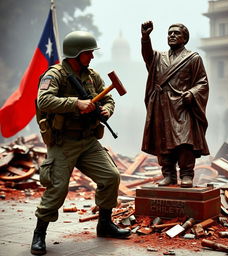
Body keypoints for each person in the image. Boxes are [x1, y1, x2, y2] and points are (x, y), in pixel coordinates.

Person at [31, 31, 131, 256]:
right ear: (76, 54)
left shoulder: (92, 76)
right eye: (89, 53)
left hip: (87, 140)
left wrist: (107, 109)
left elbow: (109, 98)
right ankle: (39, 234)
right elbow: (43, 100)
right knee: (57, 188)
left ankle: (104, 224)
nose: (92, 57)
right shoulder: (54, 75)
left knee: (111, 177)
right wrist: (76, 103)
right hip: (62, 141)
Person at [140, 21, 209, 188]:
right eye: (169, 33)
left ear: (184, 38)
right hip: (161, 106)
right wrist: (145, 37)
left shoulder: (193, 58)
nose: (171, 35)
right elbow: (147, 56)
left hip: (182, 105)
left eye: (176, 33)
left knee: (185, 141)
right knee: (162, 142)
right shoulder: (158, 58)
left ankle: (186, 174)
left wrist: (192, 93)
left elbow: (203, 82)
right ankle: (169, 174)